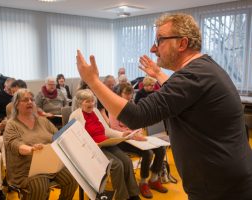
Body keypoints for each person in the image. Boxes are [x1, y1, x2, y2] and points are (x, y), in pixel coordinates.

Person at [76, 13, 252, 200]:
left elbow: (137, 116)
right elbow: (183, 96)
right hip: (227, 177)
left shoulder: (193, 76)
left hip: (220, 187)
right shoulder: (203, 69)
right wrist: (159, 74)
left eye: (160, 40)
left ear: (182, 44)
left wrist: (93, 81)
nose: (153, 48)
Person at [3, 88, 77, 200]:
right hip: (26, 169)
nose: (29, 102)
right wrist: (31, 149)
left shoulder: (42, 121)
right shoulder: (12, 124)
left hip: (49, 164)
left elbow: (57, 137)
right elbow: (15, 145)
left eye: (31, 100)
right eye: (25, 100)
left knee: (72, 178)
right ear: (17, 105)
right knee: (39, 186)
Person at [69, 89, 140, 200]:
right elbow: (74, 139)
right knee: (116, 165)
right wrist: (92, 144)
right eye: (87, 101)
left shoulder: (96, 111)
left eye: (92, 101)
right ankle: (122, 197)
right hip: (92, 148)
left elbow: (106, 131)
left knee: (127, 161)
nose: (91, 104)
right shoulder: (75, 115)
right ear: (79, 102)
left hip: (105, 143)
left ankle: (133, 194)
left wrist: (122, 134)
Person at [109, 83, 167, 199]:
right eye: (126, 93)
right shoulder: (114, 106)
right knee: (148, 153)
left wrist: (138, 132)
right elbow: (114, 127)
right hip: (123, 140)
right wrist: (132, 134)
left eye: (131, 94)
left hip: (135, 136)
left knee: (161, 149)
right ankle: (143, 182)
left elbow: (138, 122)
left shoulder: (131, 104)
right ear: (120, 93)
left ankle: (154, 179)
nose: (129, 96)